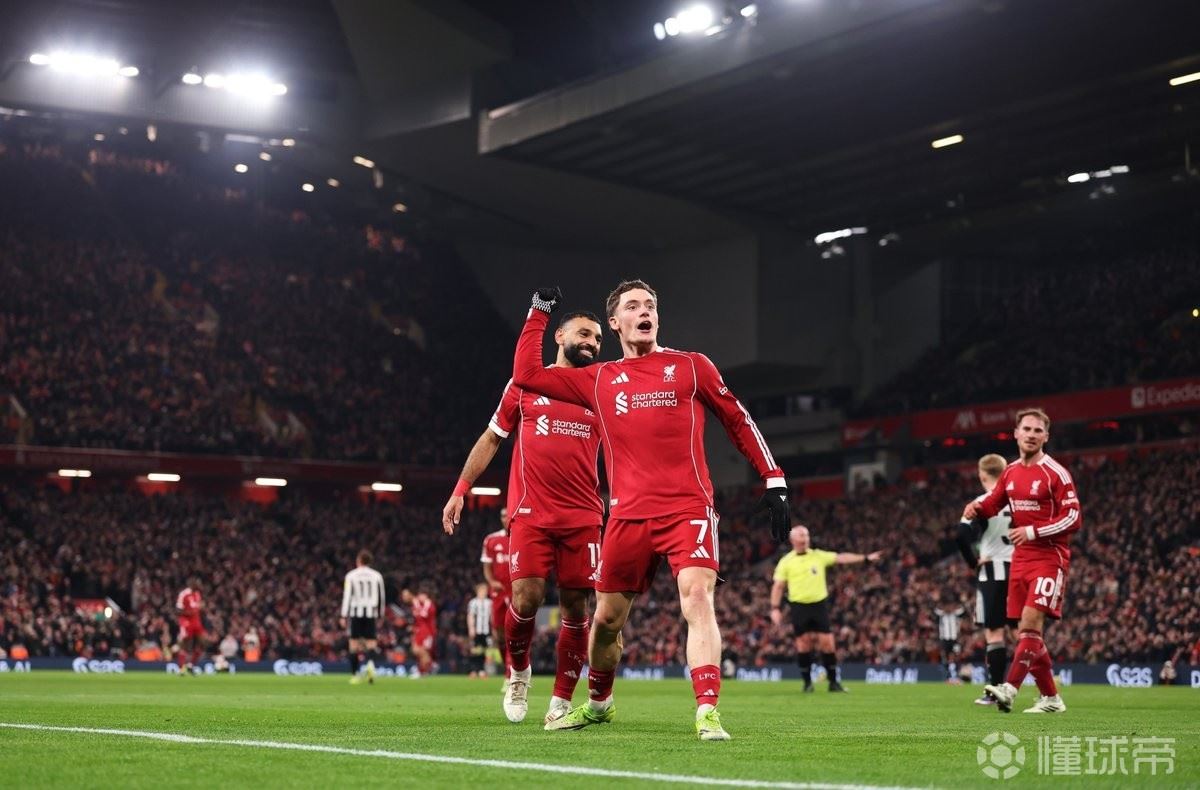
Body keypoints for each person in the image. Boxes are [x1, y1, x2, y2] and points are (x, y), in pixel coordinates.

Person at [511, 281, 791, 741]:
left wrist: (773, 477)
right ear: (615, 322)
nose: (645, 312)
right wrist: (538, 312)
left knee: (697, 598)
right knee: (606, 621)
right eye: (633, 306)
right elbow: (526, 374)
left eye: (651, 305)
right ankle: (599, 704)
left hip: (687, 508)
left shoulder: (691, 366)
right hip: (626, 517)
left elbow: (737, 417)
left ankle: (707, 710)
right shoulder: (598, 379)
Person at [442, 310, 605, 725]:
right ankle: (518, 673)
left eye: (598, 338)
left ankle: (561, 699)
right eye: (584, 333)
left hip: (583, 516)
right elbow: (491, 438)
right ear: (560, 336)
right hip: (532, 514)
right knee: (525, 599)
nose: (592, 342)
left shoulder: (601, 389)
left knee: (576, 608)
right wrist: (461, 489)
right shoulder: (525, 384)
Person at [964, 407, 1082, 714]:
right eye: (1026, 429)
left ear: (1046, 436)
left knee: (1029, 626)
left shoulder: (1055, 473)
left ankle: (1010, 689)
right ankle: (1051, 698)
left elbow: (1073, 518)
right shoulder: (1011, 472)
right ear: (1015, 434)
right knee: (1026, 634)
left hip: (1049, 558)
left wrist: (1032, 531)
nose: (1031, 435)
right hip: (1021, 560)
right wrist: (976, 508)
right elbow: (994, 503)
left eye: (1037, 430)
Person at [769, 525, 881, 692]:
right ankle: (807, 683)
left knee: (828, 643)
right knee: (803, 644)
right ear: (792, 540)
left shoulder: (818, 556)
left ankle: (833, 683)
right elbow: (778, 586)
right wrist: (775, 608)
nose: (805, 539)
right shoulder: (786, 561)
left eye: (806, 535)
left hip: (818, 605)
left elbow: (841, 558)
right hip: (799, 606)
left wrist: (865, 558)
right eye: (801, 536)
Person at [955, 453, 1015, 705]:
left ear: (982, 475)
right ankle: (1046, 689)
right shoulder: (1018, 501)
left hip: (992, 570)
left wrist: (973, 562)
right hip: (1019, 570)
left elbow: (961, 535)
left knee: (994, 633)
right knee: (1023, 632)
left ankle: (995, 691)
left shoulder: (981, 502)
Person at [340, 549, 386, 685]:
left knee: (353, 645)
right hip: (371, 613)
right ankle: (370, 664)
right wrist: (381, 614)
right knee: (371, 643)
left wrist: (343, 615)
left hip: (356, 613)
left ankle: (355, 675)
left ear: (359, 560)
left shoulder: (351, 575)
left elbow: (347, 596)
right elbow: (381, 597)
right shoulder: (377, 575)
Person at [478, 510, 512, 683]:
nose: (505, 519)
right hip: (498, 592)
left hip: (517, 592)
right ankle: (509, 668)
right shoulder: (491, 540)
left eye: (508, 515)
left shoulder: (523, 537)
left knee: (516, 631)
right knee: (499, 634)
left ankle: (512, 673)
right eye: (503, 516)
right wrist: (492, 582)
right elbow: (487, 567)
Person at [403, 587, 438, 676]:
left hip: (428, 632)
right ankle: (430, 665)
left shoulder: (429, 604)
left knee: (423, 651)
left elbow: (423, 615)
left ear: (426, 595)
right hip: (419, 631)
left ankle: (423, 670)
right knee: (415, 650)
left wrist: (416, 605)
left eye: (421, 595)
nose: (419, 597)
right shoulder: (419, 604)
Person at [175, 577, 206, 675]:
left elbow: (197, 607)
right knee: (186, 644)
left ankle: (190, 665)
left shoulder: (197, 594)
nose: (200, 585)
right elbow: (178, 610)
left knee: (203, 643)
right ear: (192, 584)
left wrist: (201, 608)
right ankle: (181, 668)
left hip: (196, 622)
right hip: (186, 622)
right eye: (198, 583)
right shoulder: (183, 594)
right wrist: (189, 612)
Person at [934, 594, 966, 683]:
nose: (949, 608)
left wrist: (961, 601)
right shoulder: (941, 614)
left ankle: (957, 676)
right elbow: (936, 610)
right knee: (945, 658)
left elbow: (962, 610)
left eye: (950, 606)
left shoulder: (955, 614)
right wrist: (937, 601)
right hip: (944, 640)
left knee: (957, 656)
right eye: (947, 606)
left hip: (955, 640)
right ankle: (947, 677)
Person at [467, 583, 492, 678]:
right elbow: (470, 616)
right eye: (482, 590)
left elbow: (492, 617)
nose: (484, 592)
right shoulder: (473, 602)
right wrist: (471, 628)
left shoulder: (489, 603)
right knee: (474, 650)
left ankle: (481, 670)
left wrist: (493, 629)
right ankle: (473, 670)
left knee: (484, 650)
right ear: (478, 591)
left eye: (485, 591)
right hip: (476, 630)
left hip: (486, 630)